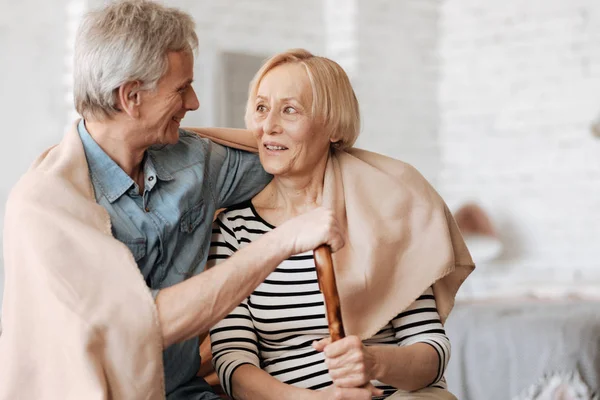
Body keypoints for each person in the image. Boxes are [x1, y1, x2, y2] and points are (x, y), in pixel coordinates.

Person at [0, 3, 344, 400]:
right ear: (131, 97)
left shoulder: (196, 160)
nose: (194, 102)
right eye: (181, 88)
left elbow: (298, 155)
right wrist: (283, 240)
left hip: (186, 391)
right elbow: (142, 323)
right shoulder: (46, 205)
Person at [207, 49, 474, 399]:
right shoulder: (232, 229)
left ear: (333, 127)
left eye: (289, 110)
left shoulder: (385, 207)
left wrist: (375, 362)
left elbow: (430, 351)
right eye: (261, 108)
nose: (268, 125)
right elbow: (233, 362)